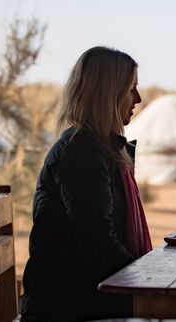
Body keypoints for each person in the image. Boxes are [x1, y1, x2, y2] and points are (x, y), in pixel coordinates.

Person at [20, 46, 151, 322]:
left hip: (84, 294)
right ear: (108, 94)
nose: (137, 98)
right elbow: (100, 248)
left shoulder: (102, 149)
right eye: (131, 88)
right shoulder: (81, 152)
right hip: (67, 305)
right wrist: (151, 277)